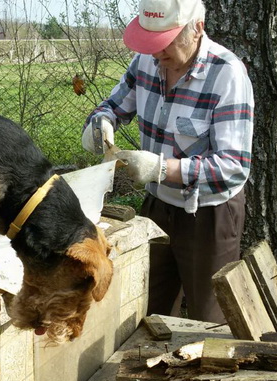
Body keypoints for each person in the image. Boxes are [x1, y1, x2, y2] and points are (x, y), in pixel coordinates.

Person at [82, 0, 254, 324]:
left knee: (207, 320)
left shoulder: (227, 74)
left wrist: (162, 168)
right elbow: (112, 107)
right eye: (151, 41)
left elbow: (233, 167)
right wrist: (100, 124)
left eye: (165, 42)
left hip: (209, 214)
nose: (157, 52)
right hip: (158, 207)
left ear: (197, 29)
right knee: (146, 311)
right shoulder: (145, 61)